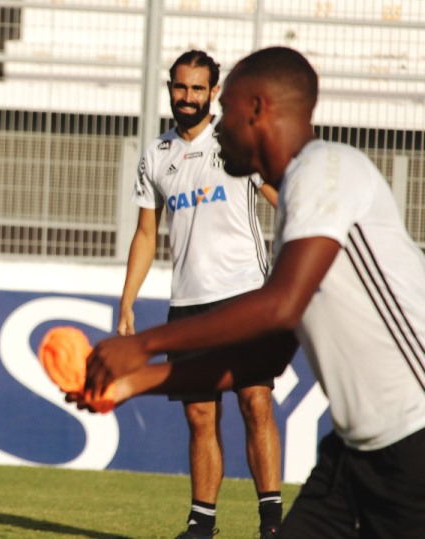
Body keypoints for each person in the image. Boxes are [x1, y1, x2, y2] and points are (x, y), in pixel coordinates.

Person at [77, 46, 425, 538]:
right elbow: (268, 356)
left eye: (227, 107)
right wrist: (134, 383)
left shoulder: (328, 172)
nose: (216, 126)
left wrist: (145, 345)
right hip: (353, 454)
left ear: (257, 109)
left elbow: (279, 308)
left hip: (414, 442)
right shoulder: (295, 206)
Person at [119, 49, 282, 539]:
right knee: (199, 415)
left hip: (246, 295)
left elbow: (286, 196)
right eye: (179, 87)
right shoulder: (156, 155)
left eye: (197, 89)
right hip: (188, 305)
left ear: (214, 92)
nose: (187, 98)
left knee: (256, 401)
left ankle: (272, 521)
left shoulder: (238, 141)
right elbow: (146, 234)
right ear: (170, 87)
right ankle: (201, 523)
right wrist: (127, 300)